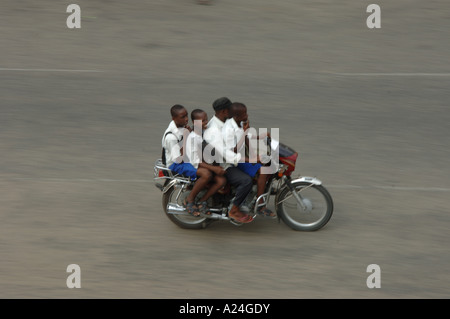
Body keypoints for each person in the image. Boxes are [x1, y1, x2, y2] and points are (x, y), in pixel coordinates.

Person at [203, 97, 253, 223]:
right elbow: (226, 154)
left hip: (231, 159)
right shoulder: (213, 130)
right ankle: (234, 210)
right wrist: (249, 159)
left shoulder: (228, 121)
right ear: (225, 111)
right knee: (246, 181)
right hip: (222, 164)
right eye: (231, 109)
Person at [223, 102, 276, 218]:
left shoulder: (240, 123)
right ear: (236, 116)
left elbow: (246, 137)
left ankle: (259, 200)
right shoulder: (228, 130)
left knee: (267, 166)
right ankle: (240, 208)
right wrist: (252, 158)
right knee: (255, 175)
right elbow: (233, 150)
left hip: (240, 158)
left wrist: (259, 137)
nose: (247, 115)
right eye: (244, 113)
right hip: (232, 162)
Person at [162, 104, 209, 217]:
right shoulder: (171, 137)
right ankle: (190, 200)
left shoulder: (182, 126)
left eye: (186, 115)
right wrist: (187, 137)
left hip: (185, 157)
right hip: (176, 164)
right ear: (174, 118)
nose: (186, 119)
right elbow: (178, 159)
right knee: (206, 173)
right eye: (182, 117)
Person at [185, 109, 227, 216]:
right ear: (195, 123)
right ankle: (190, 199)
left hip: (204, 162)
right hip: (194, 165)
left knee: (221, 181)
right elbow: (196, 161)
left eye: (206, 119)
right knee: (207, 174)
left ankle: (203, 201)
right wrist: (214, 168)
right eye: (203, 121)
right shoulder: (193, 138)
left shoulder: (202, 132)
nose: (206, 122)